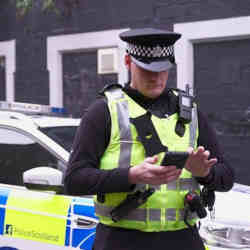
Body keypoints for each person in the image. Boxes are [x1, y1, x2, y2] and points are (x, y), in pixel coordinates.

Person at [64, 28, 235, 250]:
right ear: (127, 61)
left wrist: (206, 173)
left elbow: (227, 177)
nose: (155, 77)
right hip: (122, 240)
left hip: (182, 239)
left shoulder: (190, 112)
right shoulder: (104, 112)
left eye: (163, 69)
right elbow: (74, 180)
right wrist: (132, 175)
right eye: (146, 69)